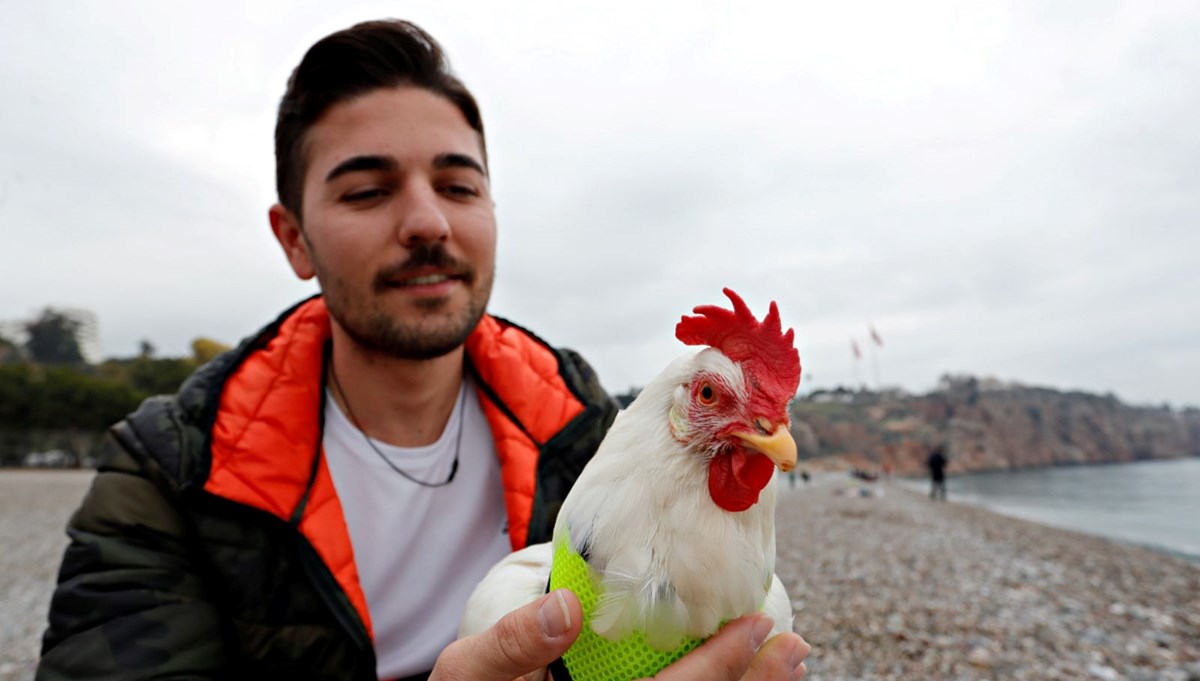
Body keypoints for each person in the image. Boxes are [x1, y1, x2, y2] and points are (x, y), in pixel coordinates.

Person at [37, 19, 810, 681]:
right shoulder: (173, 474)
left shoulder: (579, 425)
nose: (427, 222)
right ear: (293, 238)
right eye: (367, 190)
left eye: (459, 185)